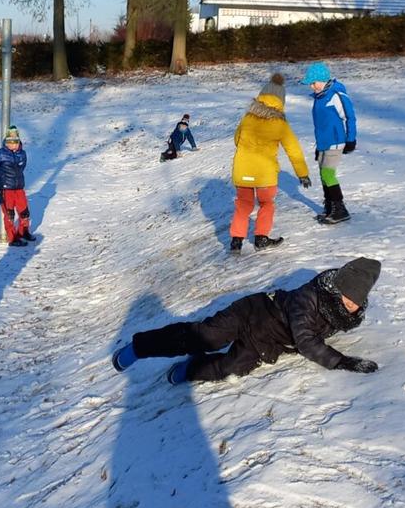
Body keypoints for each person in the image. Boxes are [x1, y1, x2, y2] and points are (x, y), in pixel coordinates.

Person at [112, 257, 382, 384]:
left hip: (268, 341)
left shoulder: (346, 315)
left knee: (230, 368)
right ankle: (139, 347)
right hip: (251, 314)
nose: (351, 305)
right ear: (337, 288)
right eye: (348, 297)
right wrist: (341, 361)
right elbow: (306, 339)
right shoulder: (309, 297)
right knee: (203, 337)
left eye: (356, 302)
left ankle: (192, 370)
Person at [229, 72, 311, 252]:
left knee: (243, 205)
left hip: (242, 172)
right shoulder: (281, 124)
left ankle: (236, 241)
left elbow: (236, 139)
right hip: (265, 175)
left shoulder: (247, 119)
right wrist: (302, 174)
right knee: (266, 204)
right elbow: (293, 150)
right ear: (282, 101)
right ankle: (261, 238)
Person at [300, 61, 358, 224]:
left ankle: (340, 209)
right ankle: (330, 206)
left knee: (328, 173)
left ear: (323, 80)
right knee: (323, 174)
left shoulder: (336, 95)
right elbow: (320, 125)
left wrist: (351, 139)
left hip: (336, 140)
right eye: (310, 84)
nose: (312, 86)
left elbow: (350, 117)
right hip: (324, 142)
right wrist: (319, 147)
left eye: (313, 83)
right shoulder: (319, 97)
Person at [0, 125, 35, 245]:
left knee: (24, 212)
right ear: (5, 142)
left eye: (15, 142)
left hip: (19, 188)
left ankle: (24, 232)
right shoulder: (0, 154)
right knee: (9, 214)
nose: (13, 145)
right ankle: (12, 238)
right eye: (9, 142)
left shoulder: (22, 153)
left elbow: (22, 168)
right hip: (6, 190)